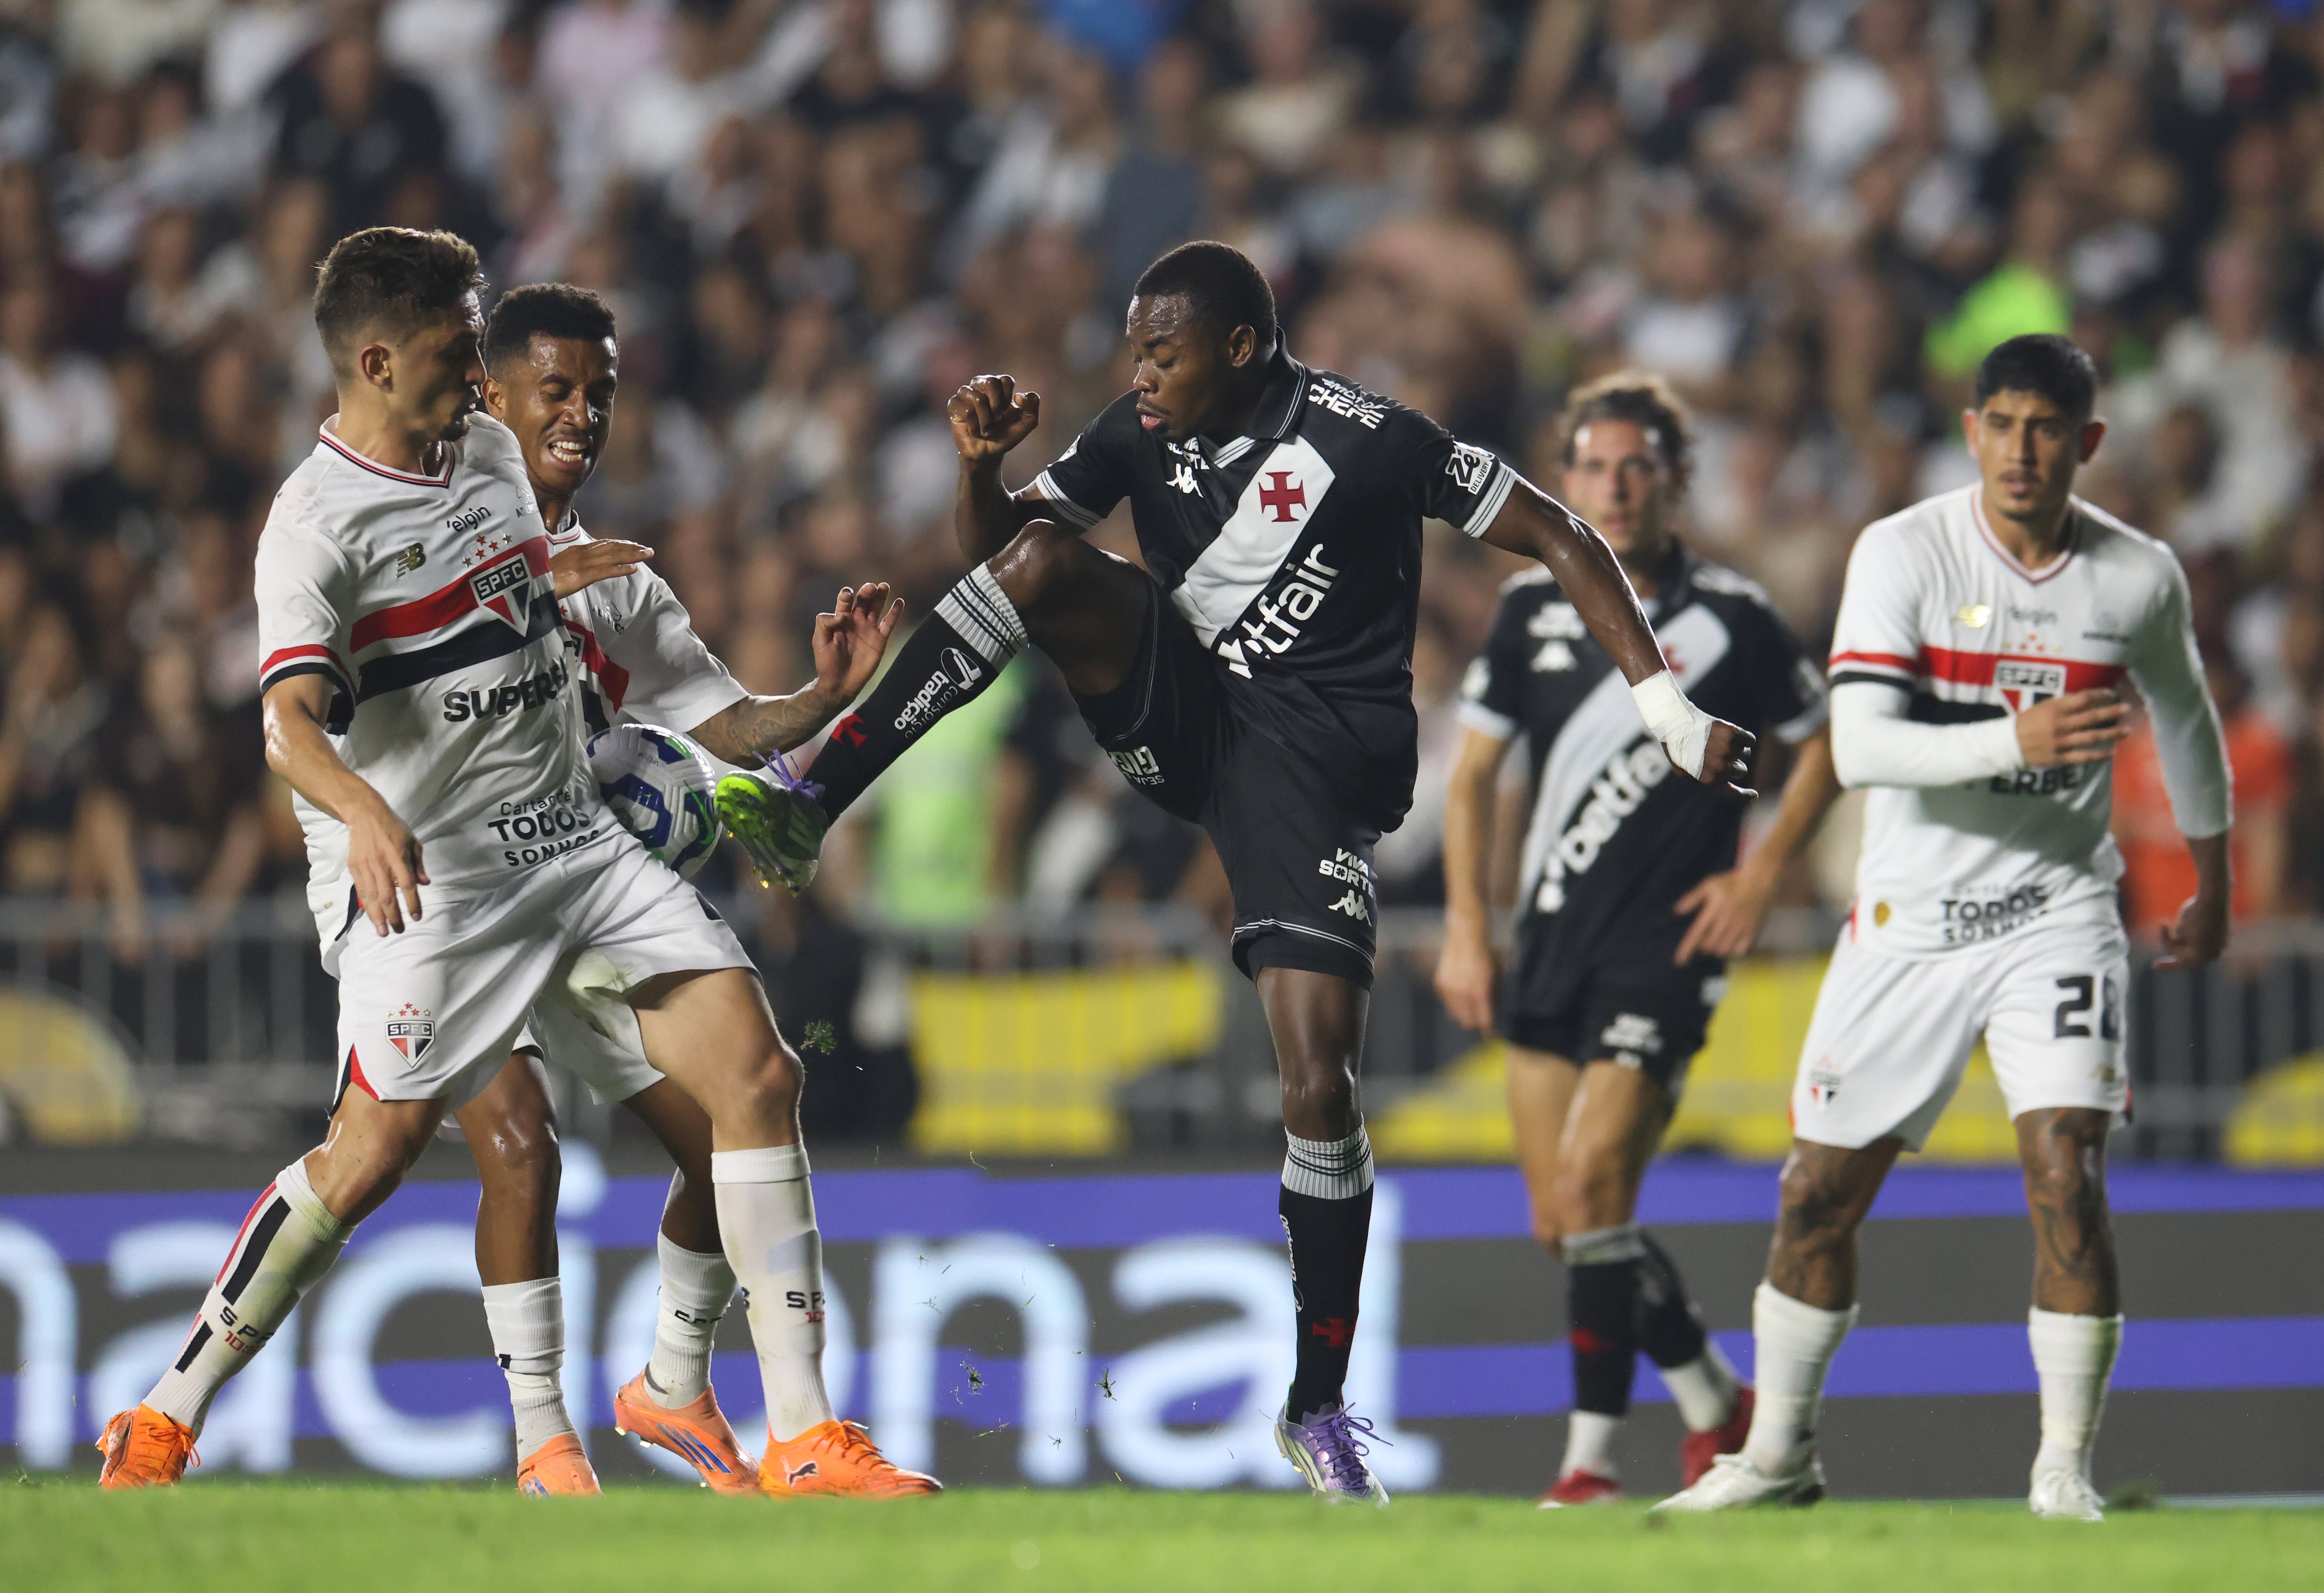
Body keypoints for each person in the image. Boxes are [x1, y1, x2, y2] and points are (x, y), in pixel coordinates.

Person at [717, 240, 1759, 1504]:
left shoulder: (1370, 439)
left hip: (1314, 771)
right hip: (1192, 710)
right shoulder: (1135, 431)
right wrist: (979, 470)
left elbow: (1560, 529)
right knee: (1044, 565)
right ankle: (811, 797)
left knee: (1320, 1082)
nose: (1139, 376)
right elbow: (1000, 556)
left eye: (1162, 353)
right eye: (1134, 352)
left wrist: (1665, 710)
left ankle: (1317, 1405)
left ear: (1241, 348)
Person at [95, 228, 936, 1501]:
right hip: (436, 878)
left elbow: (546, 608)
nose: (478, 377)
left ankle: (802, 1430)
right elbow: (287, 722)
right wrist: (361, 809)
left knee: (760, 1076)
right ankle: (166, 1410)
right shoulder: (311, 527)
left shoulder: (485, 452)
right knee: (373, 1155)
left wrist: (814, 696)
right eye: (457, 351)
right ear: (380, 363)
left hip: (575, 844)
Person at [1658, 335, 2233, 1520]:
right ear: (1971, 432)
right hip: (1908, 918)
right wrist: (2016, 739)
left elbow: (2187, 722)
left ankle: (2062, 1471)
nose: (2021, 450)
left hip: (2055, 911)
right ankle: (1777, 1456)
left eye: (2045, 428)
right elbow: (1862, 743)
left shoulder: (2136, 577)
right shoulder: (1902, 550)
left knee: (2067, 1170)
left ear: (2087, 442)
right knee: (1816, 1193)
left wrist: (2213, 880)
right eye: (2001, 424)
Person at [1434, 374, 1841, 1506]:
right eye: (1592, 467)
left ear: (1676, 480)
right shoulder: (1529, 609)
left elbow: (1826, 739)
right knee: (1563, 1220)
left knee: (1590, 1181)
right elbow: (1470, 779)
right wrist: (1467, 926)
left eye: (1635, 467)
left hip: (1665, 948)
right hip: (1549, 939)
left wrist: (1761, 870)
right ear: (1564, 479)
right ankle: (1717, 1402)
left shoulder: (1736, 617)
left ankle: (1588, 1465)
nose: (1612, 487)